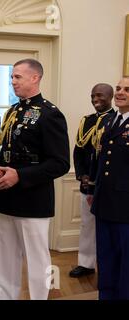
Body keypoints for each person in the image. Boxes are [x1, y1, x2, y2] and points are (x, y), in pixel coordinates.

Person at [0, 59, 70, 300]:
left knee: (38, 259)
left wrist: (21, 175)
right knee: (6, 256)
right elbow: (6, 151)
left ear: (35, 78)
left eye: (18, 77)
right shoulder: (13, 112)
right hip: (6, 197)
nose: (12, 81)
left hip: (34, 200)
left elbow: (60, 163)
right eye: (12, 77)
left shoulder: (50, 114)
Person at [88, 77, 129, 300]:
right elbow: (101, 160)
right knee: (105, 257)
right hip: (104, 203)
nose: (121, 93)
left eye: (127, 90)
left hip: (125, 207)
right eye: (119, 89)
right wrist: (93, 191)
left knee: (125, 261)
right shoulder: (109, 121)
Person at [69, 84, 115, 278]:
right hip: (88, 184)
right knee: (87, 224)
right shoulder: (86, 121)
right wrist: (82, 174)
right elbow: (79, 151)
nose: (96, 99)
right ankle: (86, 263)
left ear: (110, 97)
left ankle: (108, 266)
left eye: (100, 95)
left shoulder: (116, 121)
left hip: (108, 185)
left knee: (109, 226)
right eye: (93, 95)